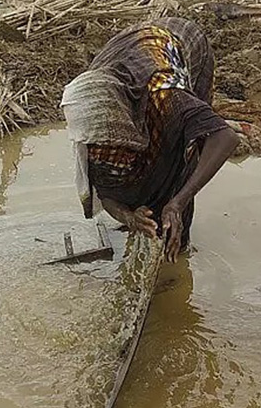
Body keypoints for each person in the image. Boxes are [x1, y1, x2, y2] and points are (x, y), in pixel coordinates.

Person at [61, 18, 238, 261]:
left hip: (181, 45)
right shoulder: (91, 121)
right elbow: (107, 192)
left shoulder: (165, 94)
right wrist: (129, 217)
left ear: (122, 121)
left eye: (111, 141)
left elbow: (224, 137)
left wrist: (178, 202)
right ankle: (155, 217)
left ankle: (177, 234)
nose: (104, 149)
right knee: (128, 167)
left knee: (181, 147)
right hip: (126, 53)